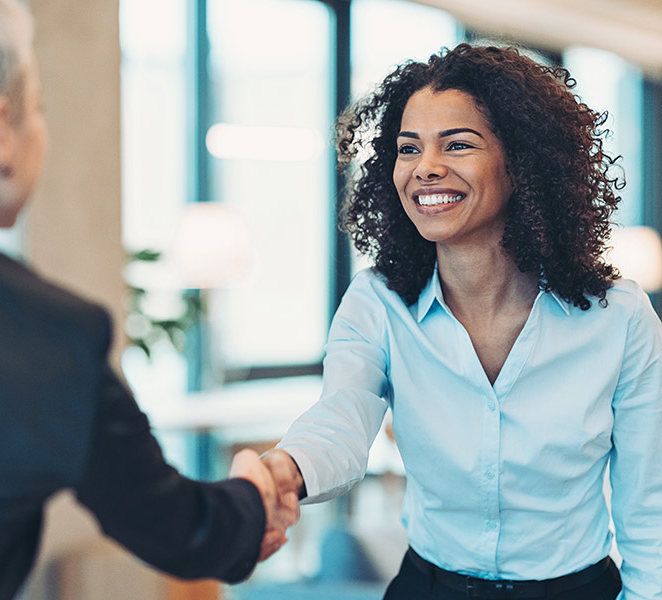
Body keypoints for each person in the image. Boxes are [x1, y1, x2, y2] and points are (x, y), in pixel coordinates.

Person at [0, 1, 298, 599]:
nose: (41, 125)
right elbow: (182, 530)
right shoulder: (45, 334)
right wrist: (252, 496)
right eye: (37, 108)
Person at [261, 43, 662, 600]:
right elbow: (342, 420)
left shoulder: (618, 316)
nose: (426, 168)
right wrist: (283, 470)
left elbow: (651, 504)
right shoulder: (378, 302)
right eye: (409, 148)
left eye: (458, 144)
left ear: (521, 162)